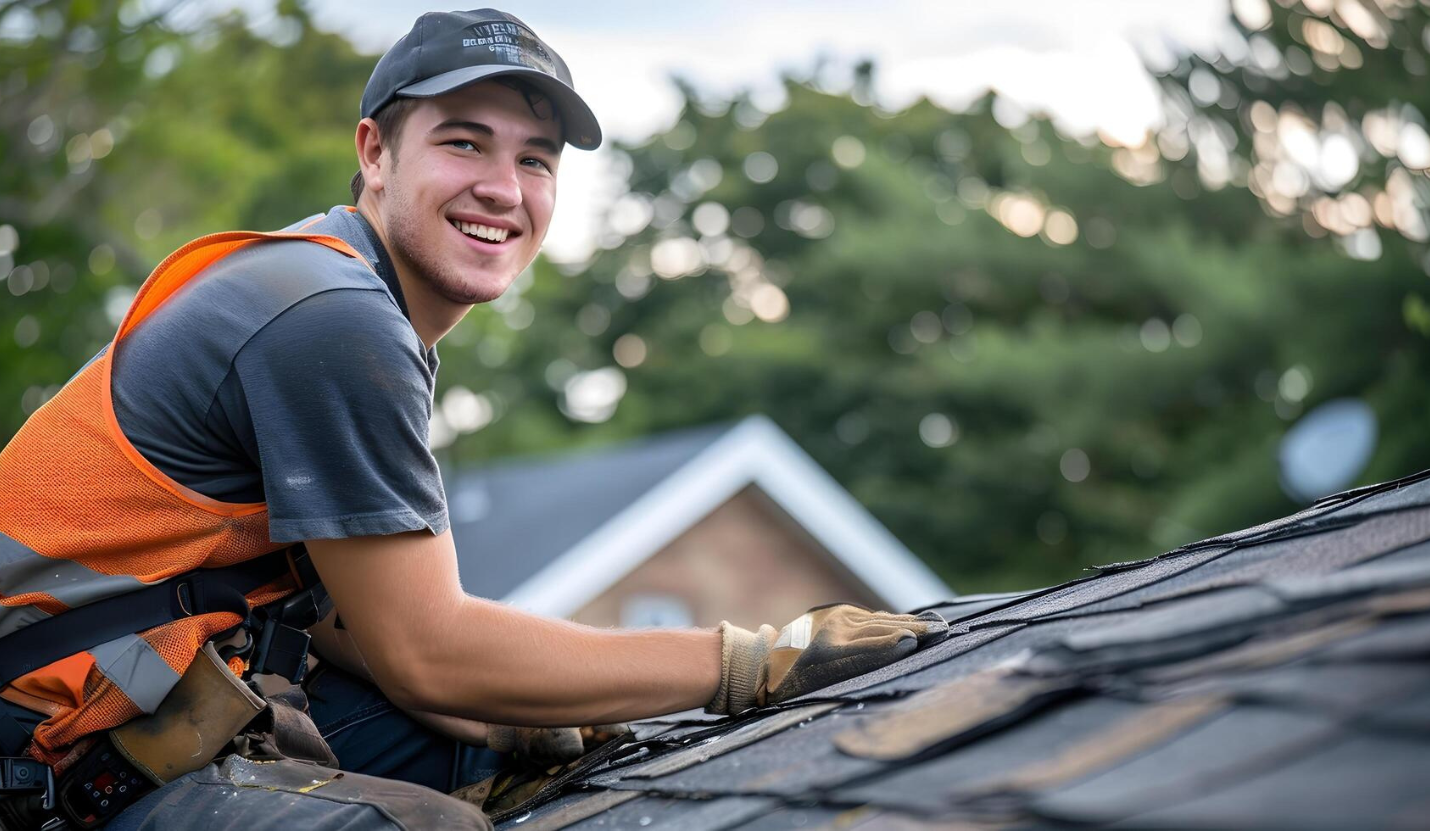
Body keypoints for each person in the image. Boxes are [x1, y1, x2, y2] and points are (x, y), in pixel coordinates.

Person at [0, 8, 947, 825]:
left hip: (135, 694)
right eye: (464, 142)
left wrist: (531, 707)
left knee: (522, 752)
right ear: (375, 152)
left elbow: (352, 627)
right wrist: (752, 660)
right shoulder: (329, 316)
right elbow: (428, 653)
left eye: (535, 160)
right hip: (38, 745)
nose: (505, 188)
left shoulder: (335, 281)